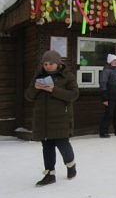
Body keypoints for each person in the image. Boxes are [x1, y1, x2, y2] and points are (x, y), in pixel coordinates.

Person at [24, 50, 79, 186]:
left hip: (61, 118)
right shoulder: (38, 76)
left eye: (51, 64)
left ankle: (70, 165)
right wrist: (36, 88)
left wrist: (53, 90)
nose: (47, 66)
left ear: (58, 63)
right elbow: (28, 96)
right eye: (45, 64)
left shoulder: (67, 76)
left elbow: (73, 95)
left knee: (63, 145)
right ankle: (49, 174)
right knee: (47, 146)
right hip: (42, 119)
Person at [99, 53, 116, 137]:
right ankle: (103, 132)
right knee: (109, 114)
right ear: (110, 61)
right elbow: (103, 83)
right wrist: (104, 98)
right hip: (110, 96)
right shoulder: (106, 71)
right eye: (114, 61)